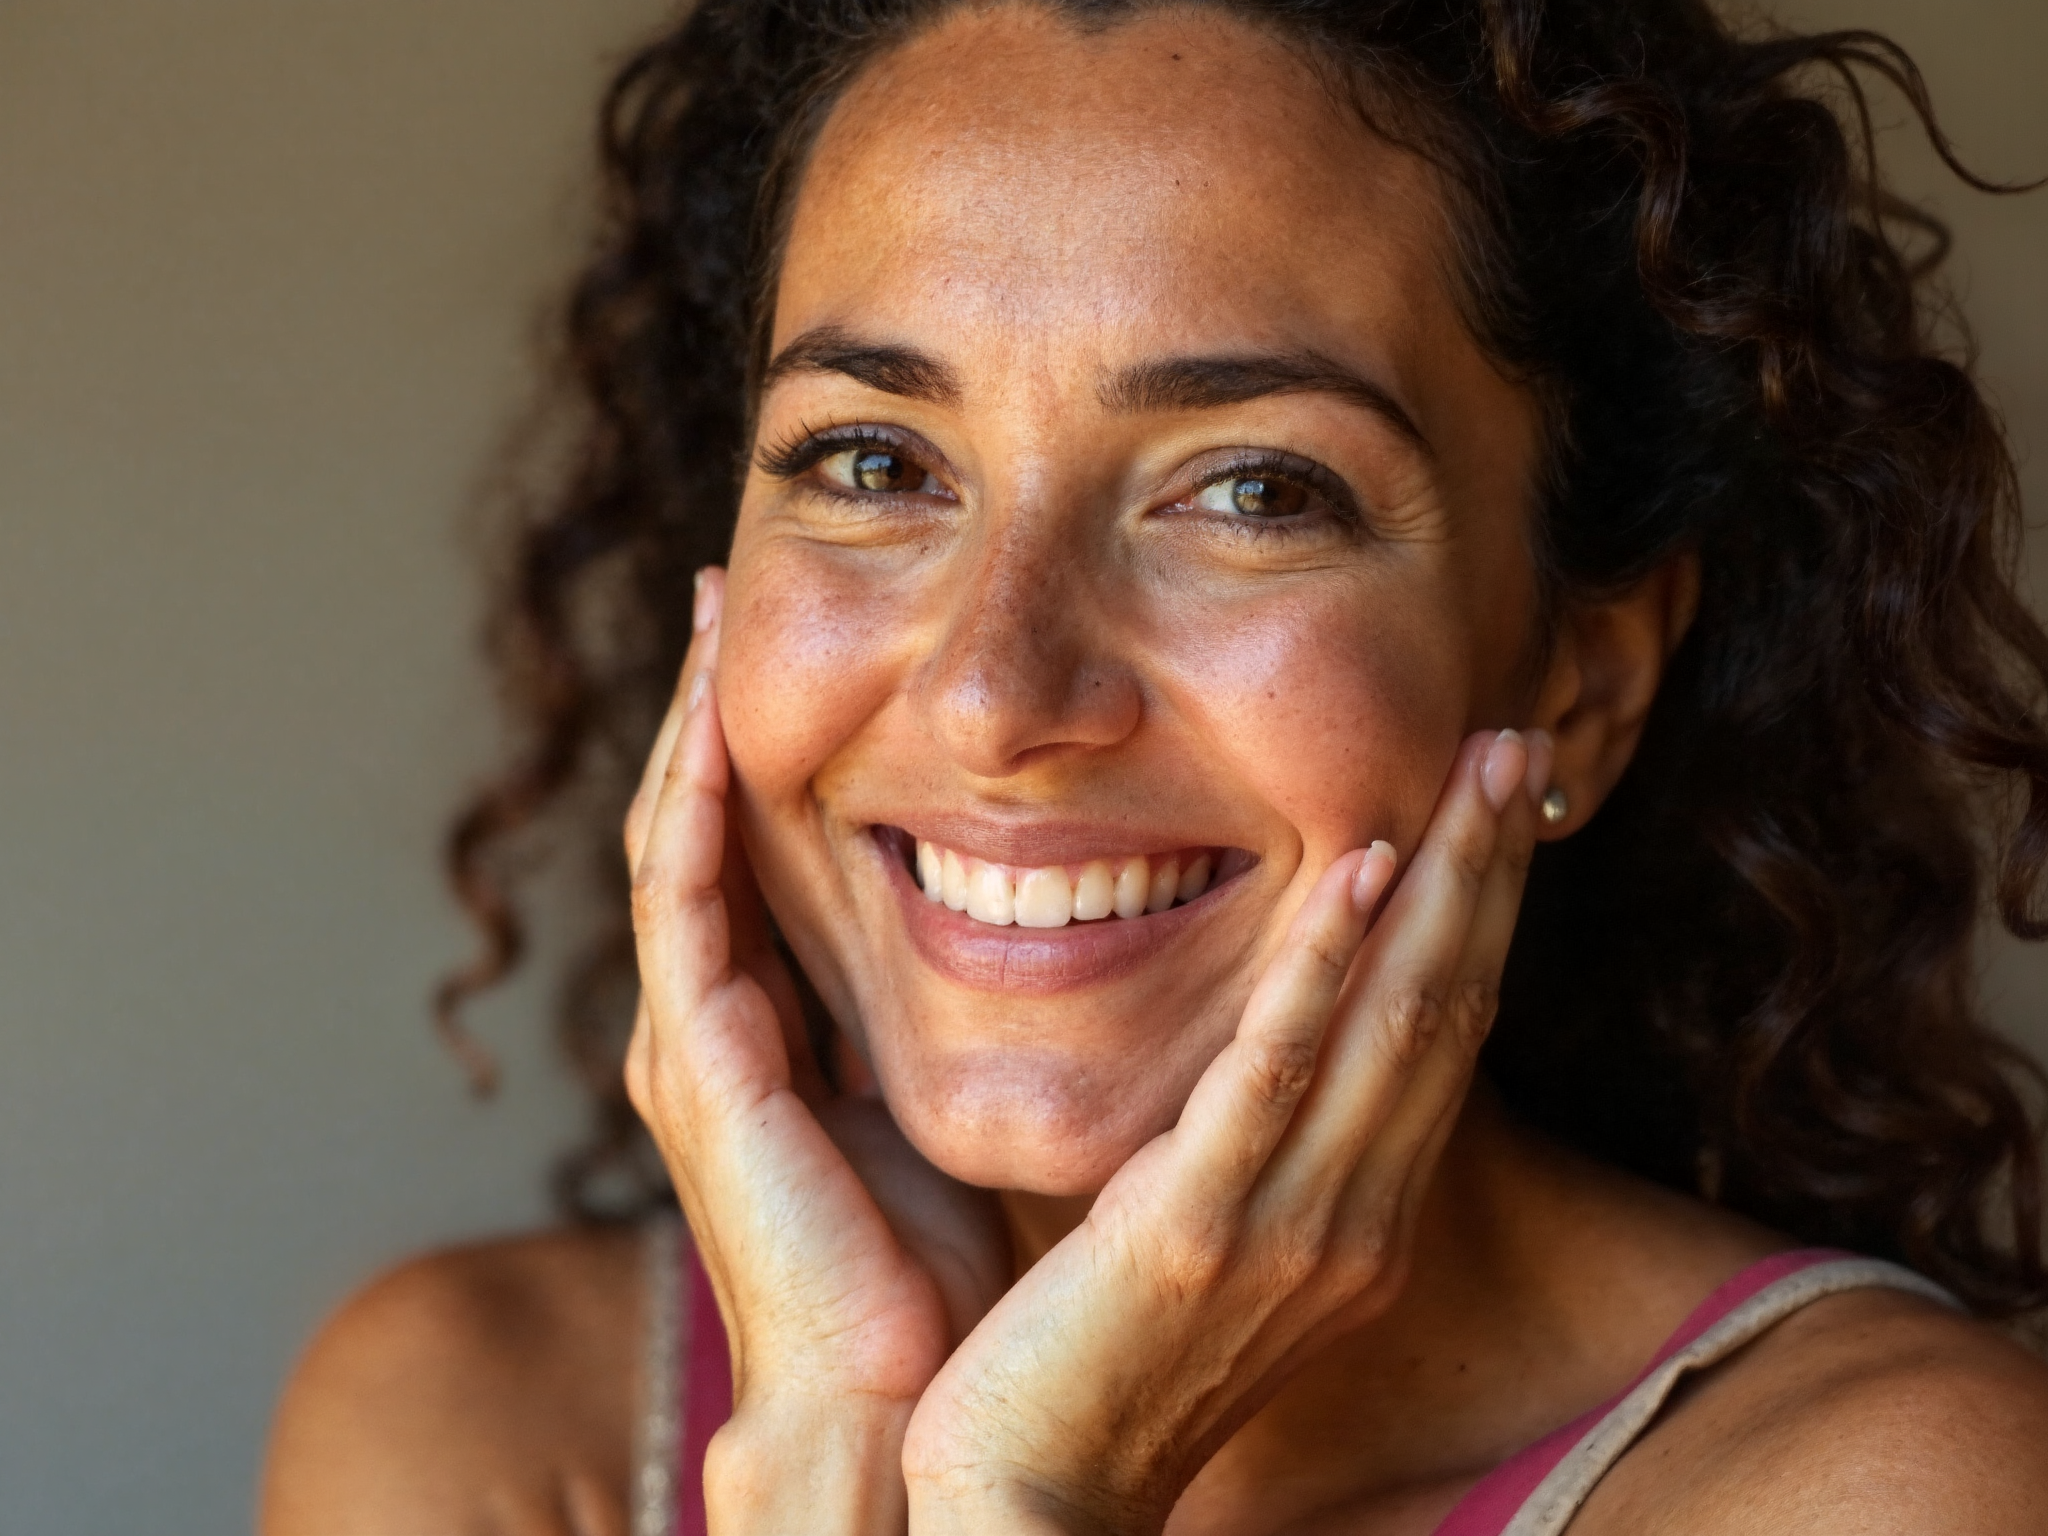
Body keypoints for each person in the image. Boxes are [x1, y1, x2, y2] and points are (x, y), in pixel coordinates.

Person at [261, 1, 2048, 1532]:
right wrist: (827, 1456)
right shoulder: (485, 1435)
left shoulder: (1890, 1488)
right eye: (876, 462)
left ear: (1579, 679)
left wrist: (1043, 1492)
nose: (994, 693)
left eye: (1255, 490)